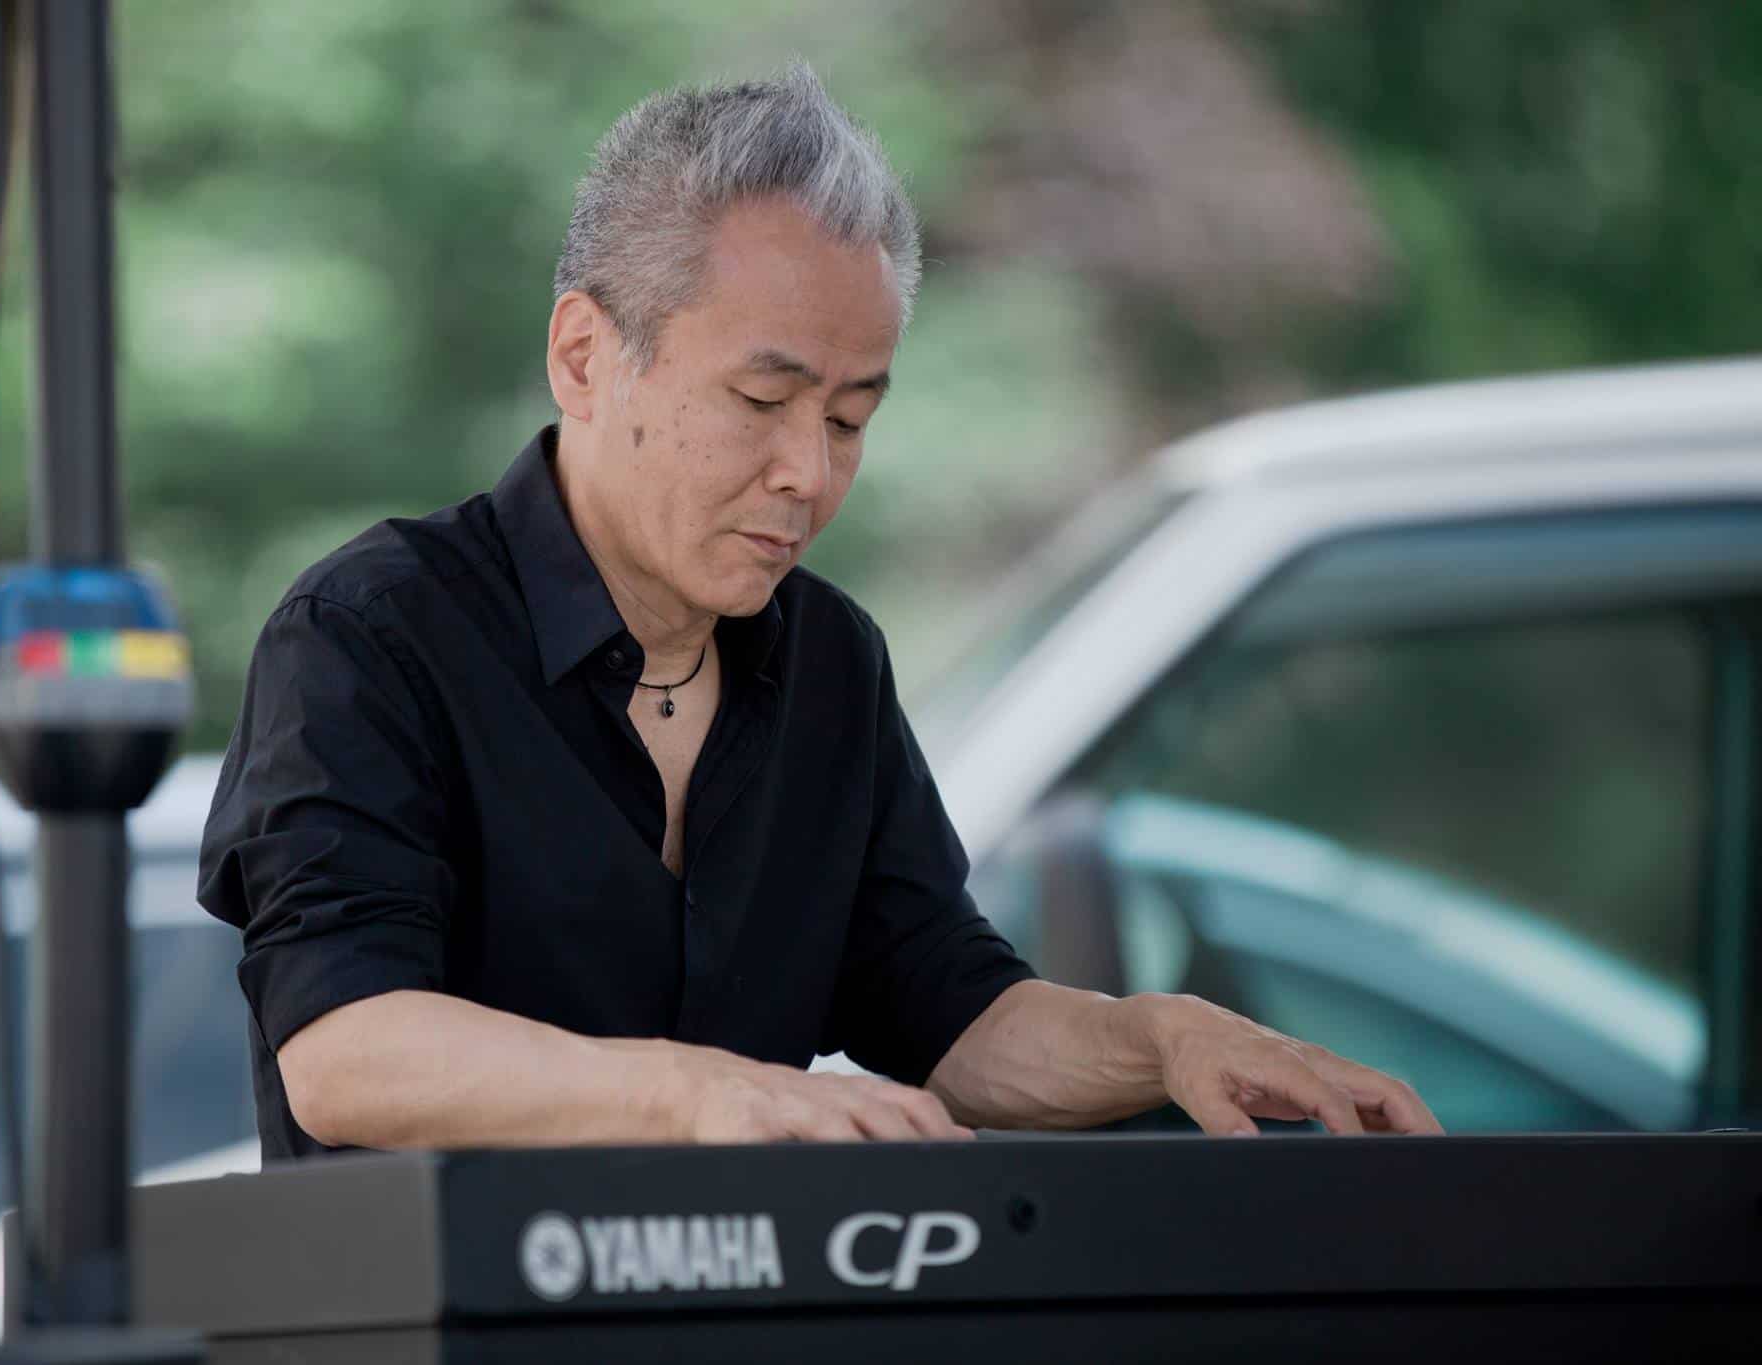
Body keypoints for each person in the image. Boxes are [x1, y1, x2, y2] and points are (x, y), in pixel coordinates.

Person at [197, 62, 1441, 1161]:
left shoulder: (830, 660)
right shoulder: (369, 633)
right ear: (583, 357)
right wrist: (695, 1093)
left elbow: (949, 1010)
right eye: (762, 401)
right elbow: (345, 1049)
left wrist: (1159, 1041)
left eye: (849, 419)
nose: (810, 471)